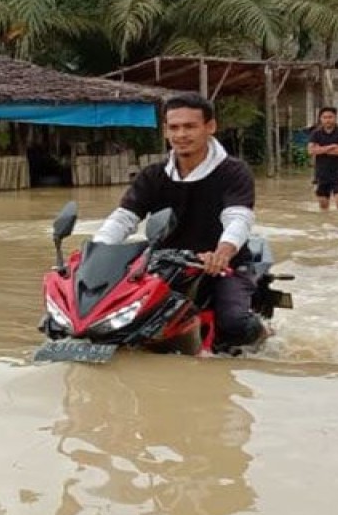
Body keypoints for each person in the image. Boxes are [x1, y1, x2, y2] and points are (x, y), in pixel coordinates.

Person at [92, 93, 265, 348]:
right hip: (165, 264)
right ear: (165, 130)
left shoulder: (233, 171)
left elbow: (238, 217)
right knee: (117, 318)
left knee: (233, 324)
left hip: (223, 265)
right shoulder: (153, 175)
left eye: (190, 126)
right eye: (174, 127)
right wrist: (95, 250)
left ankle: (264, 334)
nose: (181, 134)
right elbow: (124, 217)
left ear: (210, 127)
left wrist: (222, 253)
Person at [307, 106, 338, 210]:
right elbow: (311, 151)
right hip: (321, 175)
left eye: (330, 117)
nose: (328, 120)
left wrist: (321, 149)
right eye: (325, 117)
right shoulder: (316, 133)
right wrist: (331, 147)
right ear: (320, 119)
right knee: (323, 206)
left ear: (335, 118)